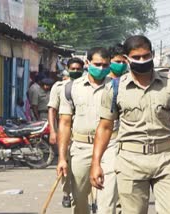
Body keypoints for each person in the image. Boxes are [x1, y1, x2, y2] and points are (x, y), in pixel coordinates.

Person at [89, 35, 170, 214]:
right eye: (136, 58)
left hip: (166, 160)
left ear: (153, 55)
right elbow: (105, 127)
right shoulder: (115, 89)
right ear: (127, 59)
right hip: (130, 161)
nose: (142, 61)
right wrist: (96, 163)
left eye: (146, 56)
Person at [57, 47, 118, 214]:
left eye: (105, 65)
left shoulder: (117, 87)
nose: (101, 69)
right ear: (87, 63)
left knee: (107, 202)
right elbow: (65, 123)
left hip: (110, 147)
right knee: (79, 199)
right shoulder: (71, 88)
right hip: (81, 147)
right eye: (97, 64)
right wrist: (62, 158)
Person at [47, 57, 84, 208]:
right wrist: (53, 131)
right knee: (65, 163)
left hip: (82, 131)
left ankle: (89, 198)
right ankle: (66, 193)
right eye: (72, 69)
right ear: (67, 69)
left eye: (78, 69)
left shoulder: (87, 85)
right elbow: (52, 109)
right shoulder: (59, 86)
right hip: (65, 131)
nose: (75, 71)